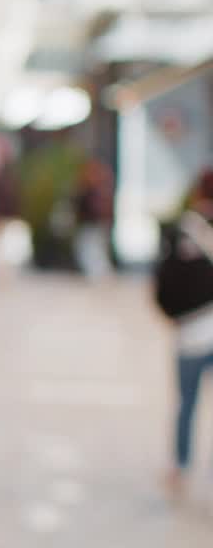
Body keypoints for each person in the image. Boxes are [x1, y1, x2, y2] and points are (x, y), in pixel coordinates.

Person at [161, 168, 213, 500]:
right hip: (195, 332)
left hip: (191, 334)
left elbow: (164, 286)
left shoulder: (183, 231)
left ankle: (180, 466)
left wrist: (175, 317)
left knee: (187, 403)